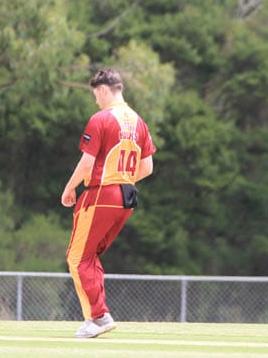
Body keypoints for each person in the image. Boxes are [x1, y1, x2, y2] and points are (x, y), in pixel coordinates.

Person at [61, 67, 156, 338]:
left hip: (101, 194)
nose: (96, 101)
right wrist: (122, 179)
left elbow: (87, 163)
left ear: (103, 90)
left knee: (77, 257)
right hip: (126, 196)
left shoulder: (101, 119)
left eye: (96, 95)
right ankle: (99, 315)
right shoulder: (139, 122)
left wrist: (70, 187)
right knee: (89, 256)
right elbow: (147, 167)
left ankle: (98, 318)